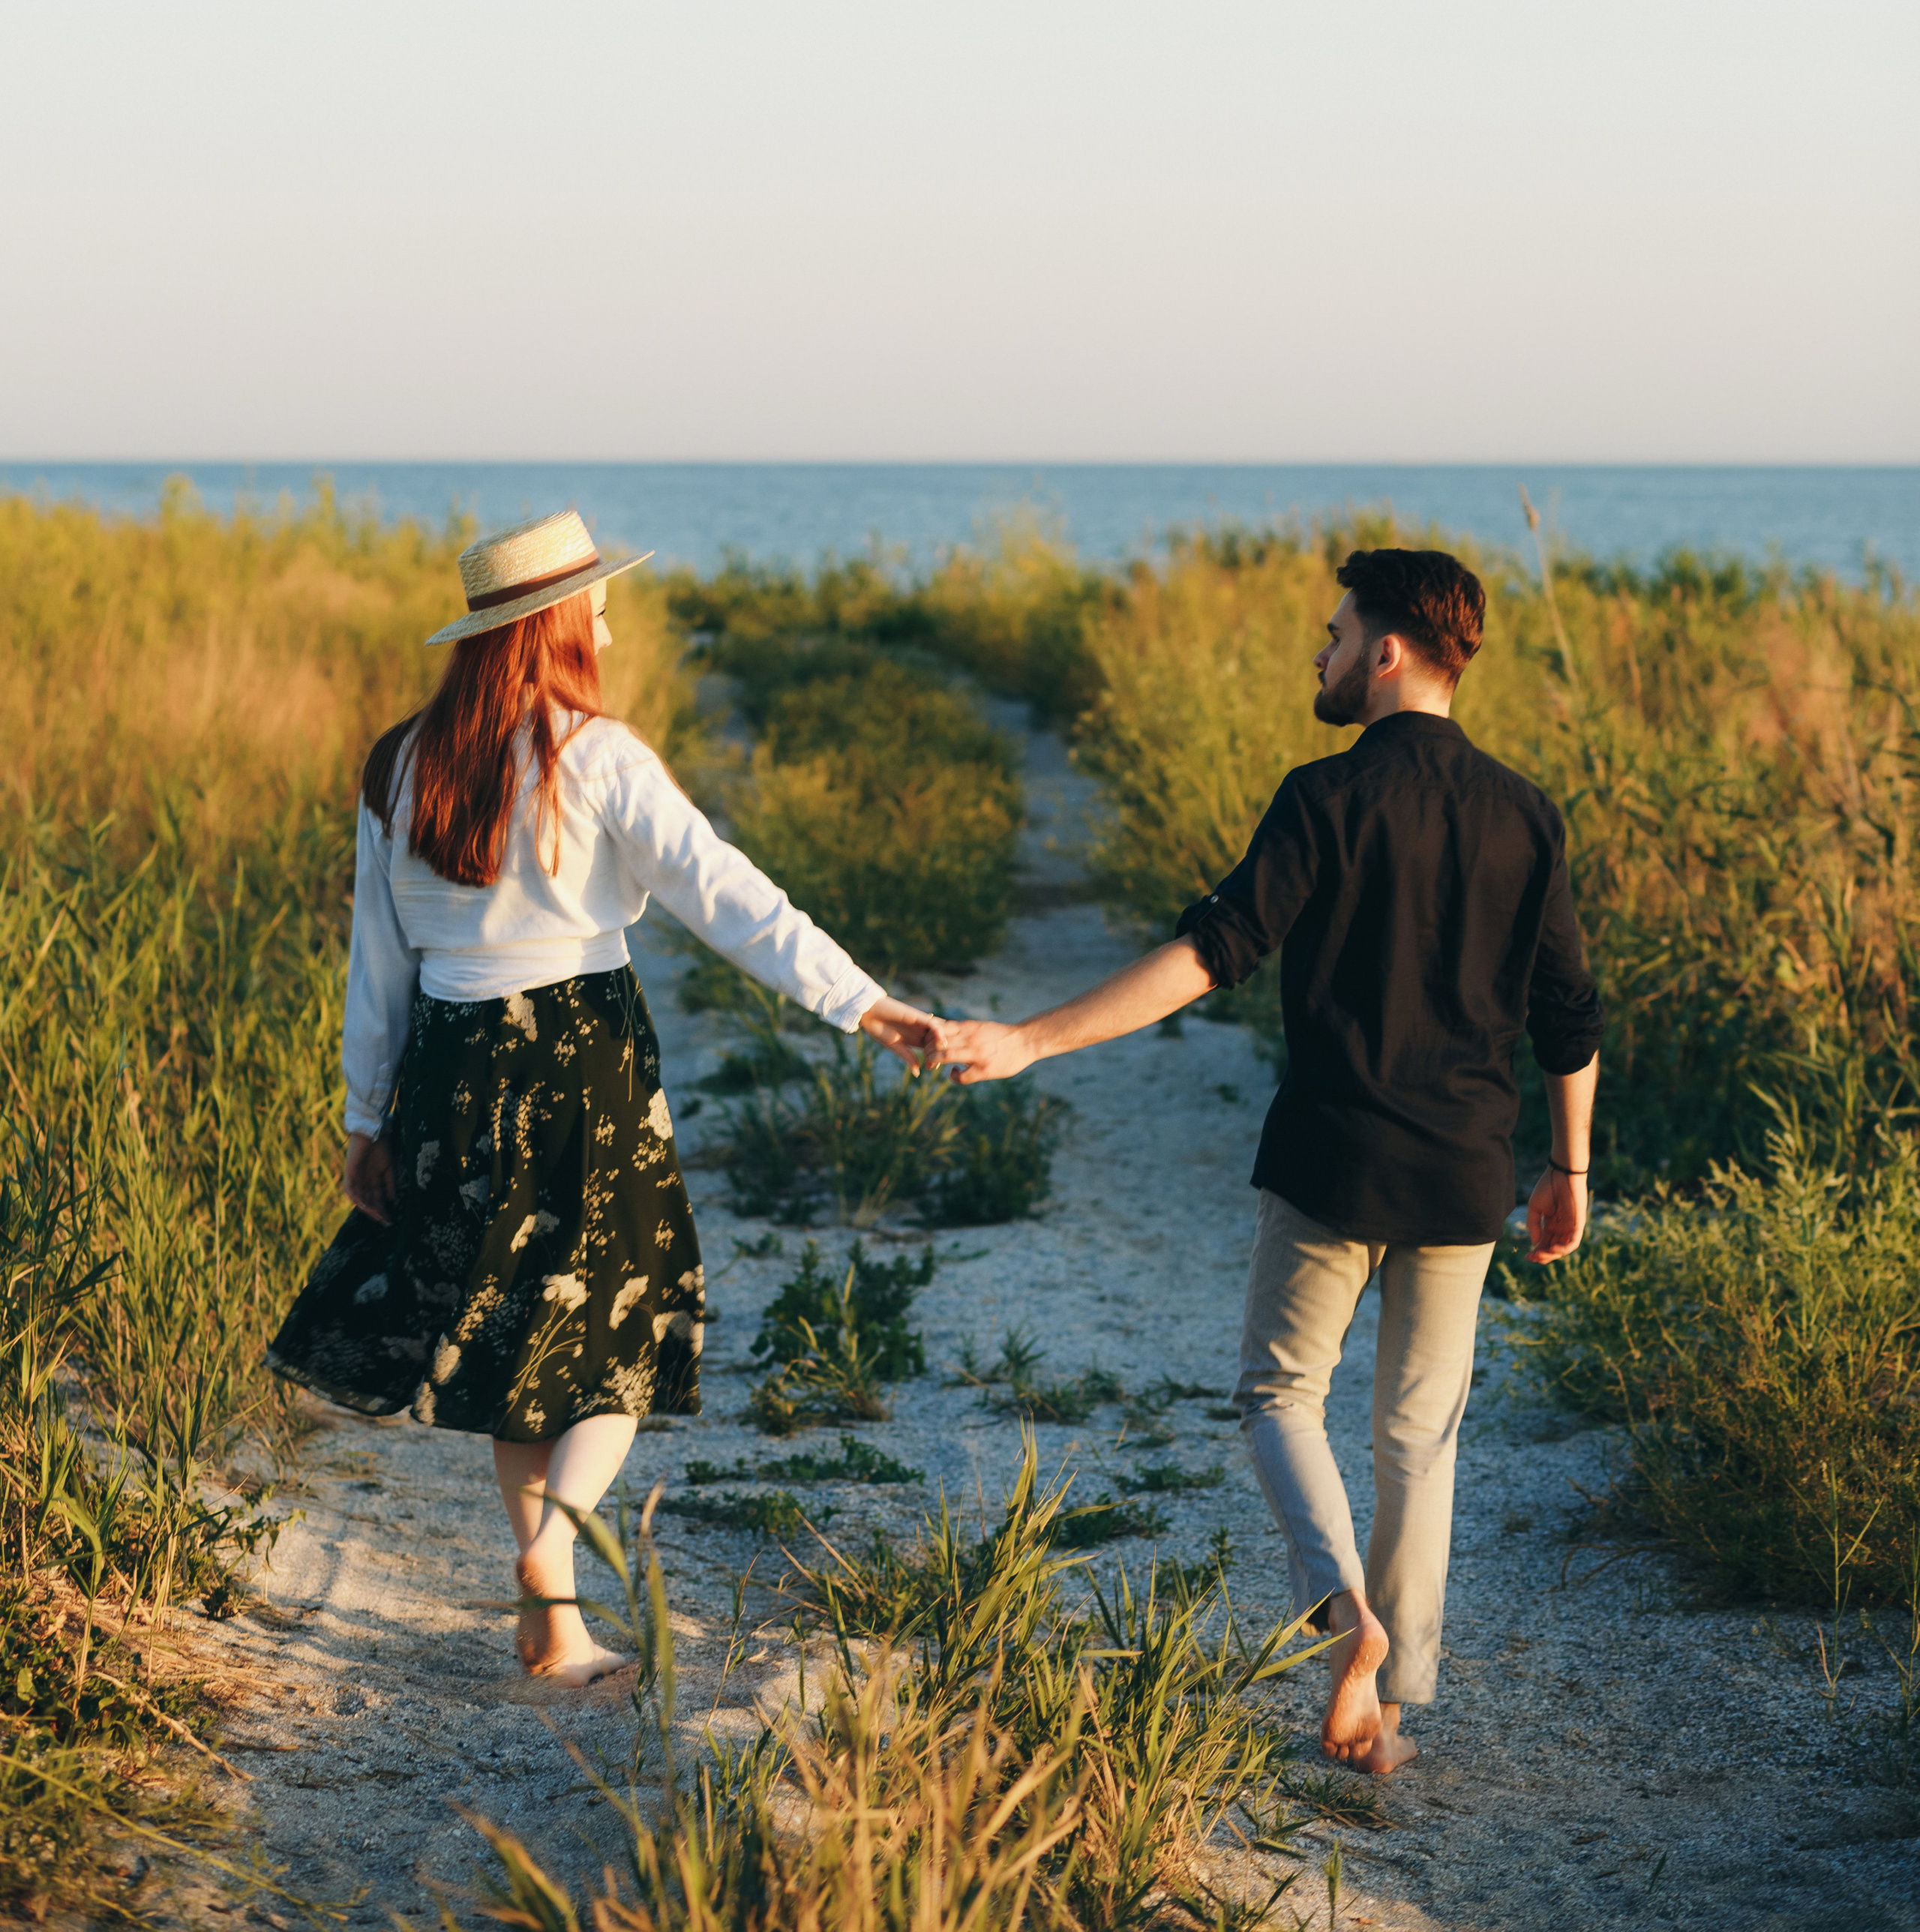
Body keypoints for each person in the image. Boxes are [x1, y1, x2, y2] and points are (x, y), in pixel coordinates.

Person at [932, 547, 1601, 1778]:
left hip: (1332, 1163)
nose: (1323, 651)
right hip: (1464, 1178)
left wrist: (1029, 1039)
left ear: (1388, 651)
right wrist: (1570, 1168)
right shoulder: (1526, 812)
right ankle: (1390, 1702)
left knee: (1280, 1395)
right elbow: (1570, 1015)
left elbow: (1209, 955)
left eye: (1337, 633)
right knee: (1417, 1438)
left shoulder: (1322, 799)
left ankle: (1343, 1623)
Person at [268, 509, 940, 1686]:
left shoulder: (399, 761)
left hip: (445, 1070)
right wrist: (863, 1004)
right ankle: (560, 1555)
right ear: (559, 623)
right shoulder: (596, 752)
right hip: (579, 1063)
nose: (612, 617)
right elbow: (726, 896)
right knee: (625, 1331)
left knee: (516, 1348)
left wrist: (363, 1117)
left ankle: (554, 1625)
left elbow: (376, 963)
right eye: (599, 600)